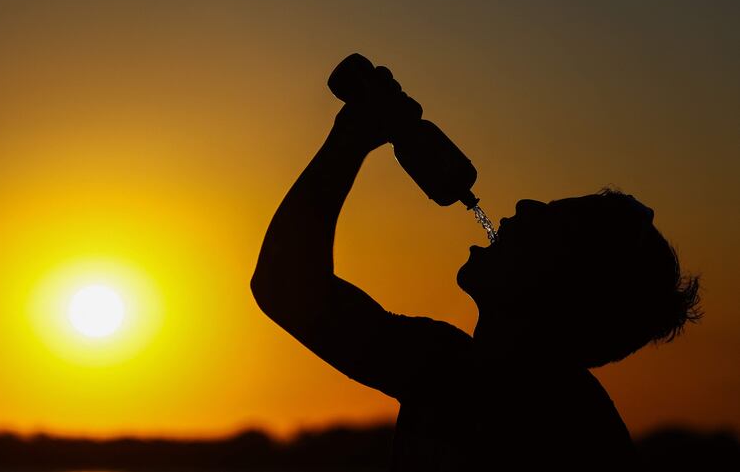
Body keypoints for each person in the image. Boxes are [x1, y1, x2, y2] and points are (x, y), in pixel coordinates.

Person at [250, 59, 702, 470]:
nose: (526, 205)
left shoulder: (554, 425)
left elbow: (285, 289)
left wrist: (348, 145)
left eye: (551, 219)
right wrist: (349, 137)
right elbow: (286, 288)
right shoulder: (451, 368)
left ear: (566, 289)